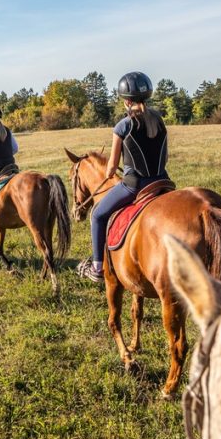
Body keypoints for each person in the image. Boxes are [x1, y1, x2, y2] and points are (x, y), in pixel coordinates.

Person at [78, 72, 170, 282]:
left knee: (98, 215)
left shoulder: (123, 125)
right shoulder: (158, 119)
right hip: (163, 180)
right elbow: (165, 156)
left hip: (134, 185)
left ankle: (98, 268)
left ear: (126, 101)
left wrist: (111, 172)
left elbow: (111, 168)